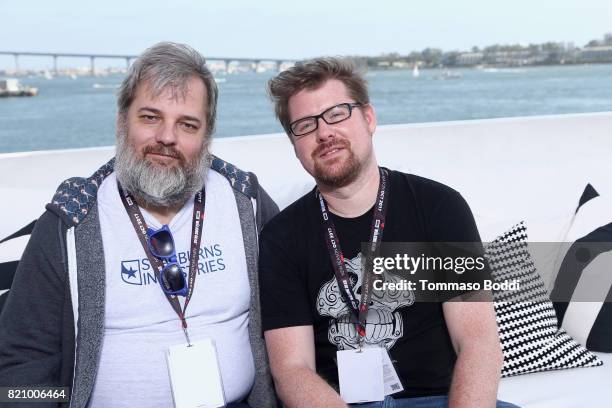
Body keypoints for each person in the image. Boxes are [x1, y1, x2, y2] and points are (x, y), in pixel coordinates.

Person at [0, 42, 278, 408]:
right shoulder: (71, 221)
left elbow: (296, 315)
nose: (166, 137)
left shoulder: (247, 203)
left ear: (206, 137)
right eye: (150, 117)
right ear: (121, 120)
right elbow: (20, 366)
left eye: (187, 124)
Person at [259, 58, 517, 408]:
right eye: (305, 125)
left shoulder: (440, 206)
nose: (323, 133)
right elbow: (292, 370)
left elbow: (477, 341)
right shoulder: (280, 237)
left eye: (337, 114)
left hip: (442, 399)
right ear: (294, 143)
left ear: (368, 119)